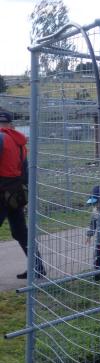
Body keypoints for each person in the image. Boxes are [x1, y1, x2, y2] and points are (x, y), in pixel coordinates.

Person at [0, 108, 46, 279]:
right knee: (20, 232)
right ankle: (37, 267)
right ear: (10, 123)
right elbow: (25, 171)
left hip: (2, 192)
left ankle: (37, 267)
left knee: (19, 231)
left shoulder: (1, 137)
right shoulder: (18, 142)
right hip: (16, 193)